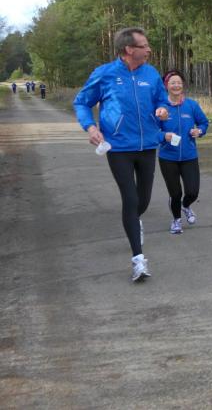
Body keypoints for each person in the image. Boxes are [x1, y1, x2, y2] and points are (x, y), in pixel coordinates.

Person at [73, 27, 169, 282]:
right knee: (130, 198)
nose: (149, 50)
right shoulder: (104, 74)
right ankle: (138, 259)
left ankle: (134, 223)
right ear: (129, 49)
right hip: (118, 147)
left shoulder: (151, 73)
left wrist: (162, 109)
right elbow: (81, 102)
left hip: (147, 146)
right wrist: (90, 127)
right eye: (144, 46)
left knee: (143, 201)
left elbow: (162, 99)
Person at [157, 70, 210, 234]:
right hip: (168, 157)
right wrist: (163, 136)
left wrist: (199, 131)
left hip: (189, 156)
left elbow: (204, 123)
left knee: (193, 192)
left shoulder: (191, 105)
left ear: (183, 85)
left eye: (179, 82)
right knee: (175, 193)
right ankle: (176, 220)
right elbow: (152, 131)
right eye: (172, 82)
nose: (176, 85)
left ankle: (185, 206)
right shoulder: (160, 108)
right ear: (166, 86)